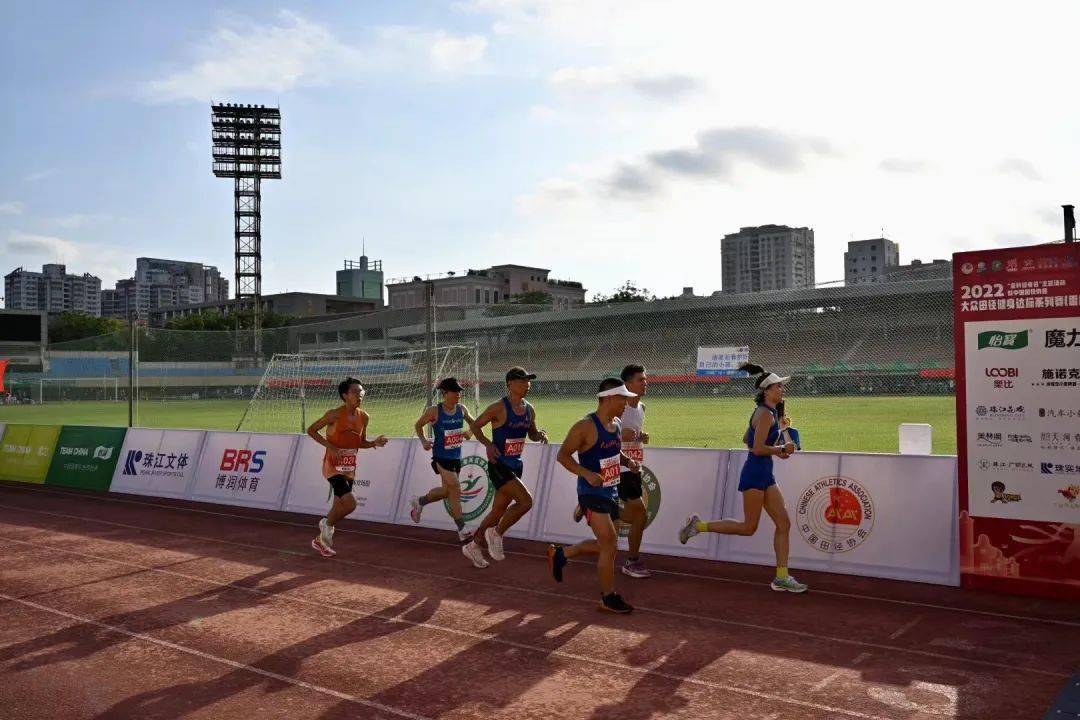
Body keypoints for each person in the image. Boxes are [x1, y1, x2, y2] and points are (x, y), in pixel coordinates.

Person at [678, 362, 808, 593]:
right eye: (778, 386)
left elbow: (747, 440)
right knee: (749, 527)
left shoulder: (767, 414)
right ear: (767, 391)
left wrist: (778, 444)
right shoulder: (766, 414)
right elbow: (756, 449)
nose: (782, 390)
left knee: (784, 523)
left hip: (764, 472)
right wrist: (780, 448)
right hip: (756, 473)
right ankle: (699, 526)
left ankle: (781, 576)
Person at [548, 377, 640, 614]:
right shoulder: (584, 426)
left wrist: (627, 461)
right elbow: (563, 455)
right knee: (609, 543)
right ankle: (608, 597)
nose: (626, 404)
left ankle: (561, 554)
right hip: (591, 492)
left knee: (606, 545)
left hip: (611, 490)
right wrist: (586, 474)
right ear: (609, 398)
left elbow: (612, 450)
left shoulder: (617, 424)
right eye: (623, 399)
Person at [461, 366, 548, 565]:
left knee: (497, 512)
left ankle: (473, 546)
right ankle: (497, 533)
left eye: (528, 381)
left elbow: (531, 433)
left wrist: (539, 435)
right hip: (498, 464)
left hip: (515, 465)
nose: (527, 385)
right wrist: (488, 444)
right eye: (522, 381)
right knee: (526, 502)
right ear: (509, 384)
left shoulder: (530, 409)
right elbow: (475, 426)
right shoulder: (498, 407)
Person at [573, 363, 653, 578]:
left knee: (618, 528)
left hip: (630, 466)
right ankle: (631, 561)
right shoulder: (618, 407)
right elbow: (613, 435)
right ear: (626, 384)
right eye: (640, 380)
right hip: (616, 470)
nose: (645, 383)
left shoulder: (641, 407)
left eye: (645, 379)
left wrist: (639, 439)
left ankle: (571, 546)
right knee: (639, 514)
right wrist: (633, 438)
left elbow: (627, 435)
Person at [306, 377, 388, 557]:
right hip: (332, 466)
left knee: (338, 506)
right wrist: (330, 446)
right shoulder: (334, 414)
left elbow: (360, 443)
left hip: (349, 468)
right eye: (355, 392)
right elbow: (311, 430)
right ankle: (325, 529)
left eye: (361, 392)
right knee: (350, 503)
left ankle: (324, 539)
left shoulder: (364, 417)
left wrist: (375, 443)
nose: (360, 395)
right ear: (345, 395)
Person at [410, 377, 485, 565]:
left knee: (447, 491)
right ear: (445, 393)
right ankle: (462, 528)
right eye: (455, 391)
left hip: (455, 458)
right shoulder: (434, 411)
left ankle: (420, 502)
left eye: (460, 391)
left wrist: (470, 432)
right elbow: (418, 425)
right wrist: (424, 441)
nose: (459, 394)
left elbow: (476, 423)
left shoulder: (462, 409)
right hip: (440, 458)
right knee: (456, 487)